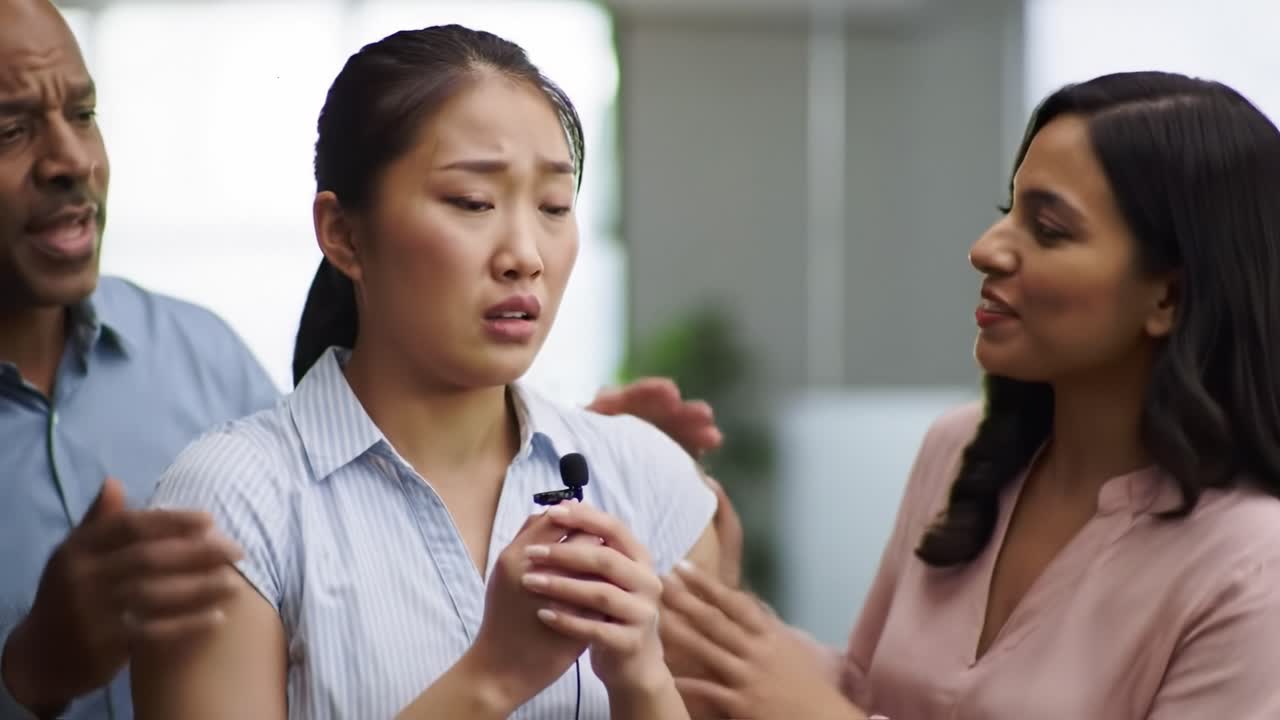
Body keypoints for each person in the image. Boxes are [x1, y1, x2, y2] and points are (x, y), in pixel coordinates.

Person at [0, 3, 727, 718]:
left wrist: (642, 683)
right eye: (472, 201)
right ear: (343, 235)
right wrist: (490, 679)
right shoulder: (230, 503)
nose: (525, 256)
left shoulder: (644, 481)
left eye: (555, 206)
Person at [660, 71, 1280, 719]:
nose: (986, 250)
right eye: (1006, 212)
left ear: (1169, 296)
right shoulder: (958, 450)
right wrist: (699, 583)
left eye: (1049, 229)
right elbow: (867, 694)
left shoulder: (1252, 568)